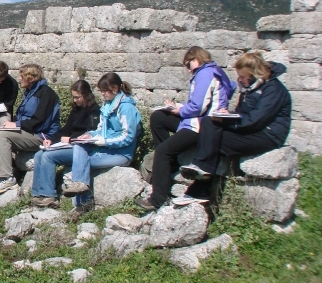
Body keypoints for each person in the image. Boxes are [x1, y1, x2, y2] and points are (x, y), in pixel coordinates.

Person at [178, 52, 292, 203]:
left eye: (244, 76)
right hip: (252, 129)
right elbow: (242, 112)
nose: (240, 79)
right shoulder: (251, 87)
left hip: (268, 135)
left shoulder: (274, 90)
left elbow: (257, 120)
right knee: (208, 122)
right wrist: (227, 115)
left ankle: (200, 184)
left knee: (214, 140)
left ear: (254, 74)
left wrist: (228, 122)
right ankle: (201, 176)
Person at [134, 47, 236, 210]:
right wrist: (178, 107)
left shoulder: (205, 74)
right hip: (197, 119)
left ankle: (157, 198)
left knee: (163, 151)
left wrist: (179, 110)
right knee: (158, 117)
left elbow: (198, 107)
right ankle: (170, 164)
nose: (188, 70)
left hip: (201, 125)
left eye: (188, 65)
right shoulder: (214, 72)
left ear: (197, 59)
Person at [62, 73, 142, 220]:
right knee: (79, 147)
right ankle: (81, 193)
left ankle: (81, 203)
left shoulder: (126, 108)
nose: (103, 94)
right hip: (106, 150)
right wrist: (90, 135)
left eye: (105, 91)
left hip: (121, 153)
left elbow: (128, 137)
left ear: (115, 89)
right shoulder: (107, 105)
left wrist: (104, 142)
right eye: (101, 91)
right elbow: (101, 129)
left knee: (81, 163)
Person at [0, 64, 60, 197]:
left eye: (22, 76)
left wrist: (16, 124)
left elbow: (40, 122)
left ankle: (7, 178)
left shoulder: (46, 94)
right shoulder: (30, 94)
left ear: (31, 78)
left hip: (40, 136)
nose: (19, 79)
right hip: (27, 132)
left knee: (2, 136)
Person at [31, 80, 101, 207]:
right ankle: (37, 193)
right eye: (73, 97)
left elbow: (90, 133)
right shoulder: (76, 110)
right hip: (68, 144)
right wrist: (51, 140)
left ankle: (49, 195)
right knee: (39, 154)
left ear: (86, 95)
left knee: (48, 157)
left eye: (77, 97)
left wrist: (71, 139)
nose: (74, 100)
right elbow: (65, 130)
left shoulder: (94, 111)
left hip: (81, 148)